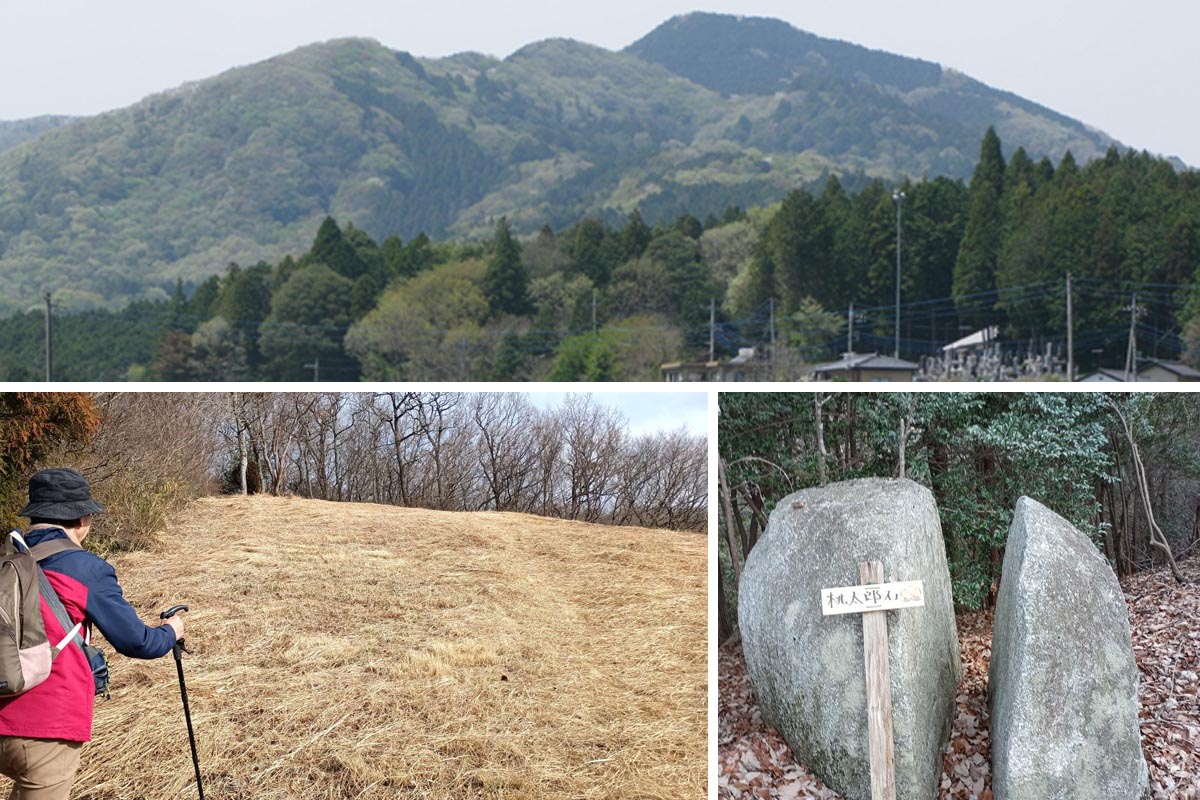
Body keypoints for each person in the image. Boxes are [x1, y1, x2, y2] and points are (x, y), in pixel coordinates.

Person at [0, 468, 182, 799]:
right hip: (47, 729)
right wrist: (171, 631)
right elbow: (137, 642)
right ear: (82, 520)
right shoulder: (87, 569)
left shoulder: (8, 562)